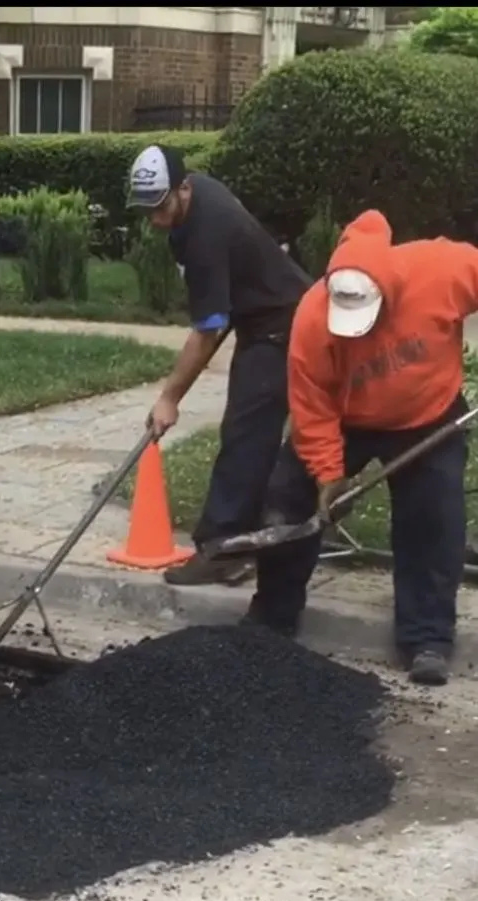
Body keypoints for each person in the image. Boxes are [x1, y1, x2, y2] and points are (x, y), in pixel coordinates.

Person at [242, 209, 476, 686]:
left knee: (432, 519)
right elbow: (311, 407)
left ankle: (427, 638)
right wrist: (329, 475)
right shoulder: (312, 316)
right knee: (290, 499)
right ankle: (273, 617)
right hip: (349, 420)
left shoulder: (442, 268)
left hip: (428, 416)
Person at [127, 144, 312, 586]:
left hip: (282, 327)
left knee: (246, 434)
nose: (154, 219)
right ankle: (250, 539)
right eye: (147, 209)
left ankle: (224, 548)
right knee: (252, 432)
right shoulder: (199, 195)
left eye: (161, 206)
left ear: (183, 189)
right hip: (271, 316)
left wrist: (170, 398)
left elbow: (208, 329)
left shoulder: (206, 233)